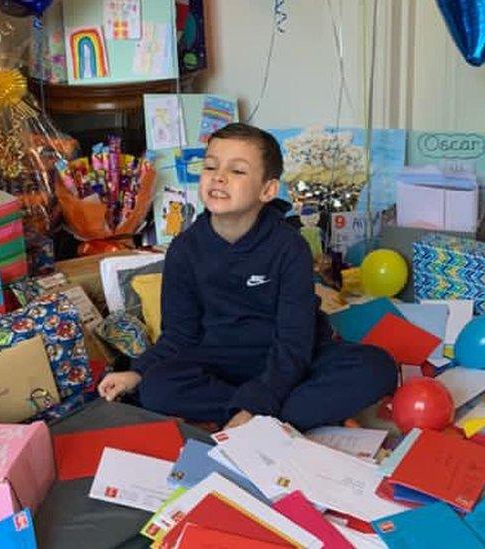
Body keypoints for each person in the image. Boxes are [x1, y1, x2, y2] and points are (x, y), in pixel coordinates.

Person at [98, 123, 396, 431]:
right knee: (157, 388)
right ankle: (269, 414)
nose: (219, 177)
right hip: (219, 363)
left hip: (288, 357)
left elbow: (295, 341)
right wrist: (137, 372)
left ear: (267, 190)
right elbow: (179, 336)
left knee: (377, 367)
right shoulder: (184, 250)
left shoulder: (289, 246)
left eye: (237, 171)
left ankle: (257, 414)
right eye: (210, 166)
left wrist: (258, 401)